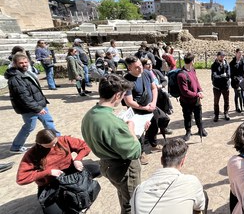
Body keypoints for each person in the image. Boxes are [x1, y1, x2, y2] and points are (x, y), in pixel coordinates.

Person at [81, 74, 142, 214]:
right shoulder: (112, 123)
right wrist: (131, 130)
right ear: (117, 95)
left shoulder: (90, 114)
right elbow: (135, 151)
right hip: (122, 168)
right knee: (132, 203)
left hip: (106, 164)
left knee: (123, 195)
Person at [16, 129, 100, 214]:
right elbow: (21, 179)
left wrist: (78, 159)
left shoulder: (63, 140)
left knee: (97, 169)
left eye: (55, 142)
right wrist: (48, 172)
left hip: (70, 174)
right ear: (39, 143)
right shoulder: (32, 153)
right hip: (51, 183)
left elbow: (85, 146)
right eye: (49, 145)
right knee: (53, 212)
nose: (54, 146)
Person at [131, 138, 207, 214]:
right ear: (182, 161)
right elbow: (200, 206)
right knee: (203, 196)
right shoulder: (191, 182)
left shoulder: (139, 190)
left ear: (161, 160)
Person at [5, 53, 60, 154]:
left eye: (26, 62)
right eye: (21, 63)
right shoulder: (15, 78)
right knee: (29, 127)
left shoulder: (27, 72)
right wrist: (38, 108)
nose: (24, 64)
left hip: (38, 104)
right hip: (29, 108)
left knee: (49, 122)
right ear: (15, 64)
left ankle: (58, 140)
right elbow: (24, 97)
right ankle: (16, 147)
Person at [123, 56, 163, 165]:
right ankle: (141, 153)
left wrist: (154, 102)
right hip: (138, 111)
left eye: (140, 65)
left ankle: (153, 144)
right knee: (139, 133)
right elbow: (129, 101)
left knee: (154, 127)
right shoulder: (126, 80)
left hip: (151, 107)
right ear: (129, 68)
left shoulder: (147, 73)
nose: (140, 68)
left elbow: (154, 88)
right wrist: (144, 107)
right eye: (136, 67)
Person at [178, 53, 207, 141]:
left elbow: (196, 81)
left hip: (196, 100)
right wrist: (197, 94)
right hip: (186, 101)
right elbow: (185, 91)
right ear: (192, 61)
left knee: (199, 115)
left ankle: (200, 129)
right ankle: (188, 131)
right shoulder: (181, 75)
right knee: (187, 117)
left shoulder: (192, 70)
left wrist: (200, 90)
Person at [211, 51, 231, 122]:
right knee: (216, 102)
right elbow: (214, 76)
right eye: (221, 56)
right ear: (217, 56)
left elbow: (228, 76)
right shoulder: (214, 65)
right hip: (217, 87)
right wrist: (223, 76)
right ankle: (216, 115)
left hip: (225, 86)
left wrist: (220, 77)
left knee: (226, 101)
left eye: (223, 56)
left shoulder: (227, 64)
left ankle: (226, 113)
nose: (222, 57)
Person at [230, 48, 244, 113]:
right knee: (237, 94)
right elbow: (231, 74)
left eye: (241, 53)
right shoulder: (232, 63)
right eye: (239, 53)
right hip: (235, 81)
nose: (240, 55)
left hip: (243, 80)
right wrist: (237, 79)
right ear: (236, 53)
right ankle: (237, 107)